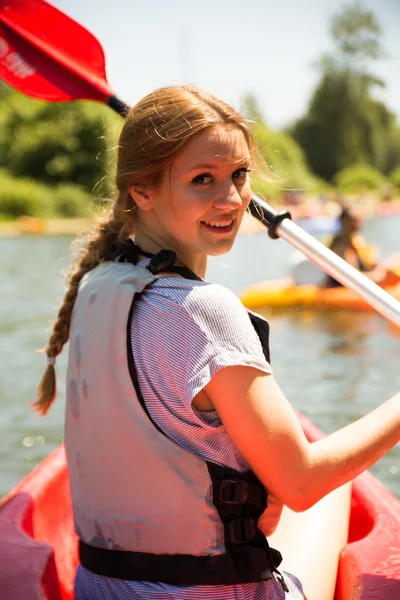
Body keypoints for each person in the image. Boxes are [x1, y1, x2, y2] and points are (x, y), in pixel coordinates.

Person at [34, 85, 400, 600]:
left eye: (239, 175)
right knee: (336, 487)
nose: (230, 200)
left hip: (100, 586)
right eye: (201, 180)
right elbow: (301, 484)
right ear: (142, 190)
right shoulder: (202, 310)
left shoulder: (97, 284)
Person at [324, 206, 400, 288]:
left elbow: (371, 263)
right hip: (345, 288)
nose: (357, 223)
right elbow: (350, 276)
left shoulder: (356, 240)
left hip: (357, 283)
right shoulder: (341, 244)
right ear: (343, 221)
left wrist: (382, 268)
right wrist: (376, 275)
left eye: (358, 219)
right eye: (353, 219)